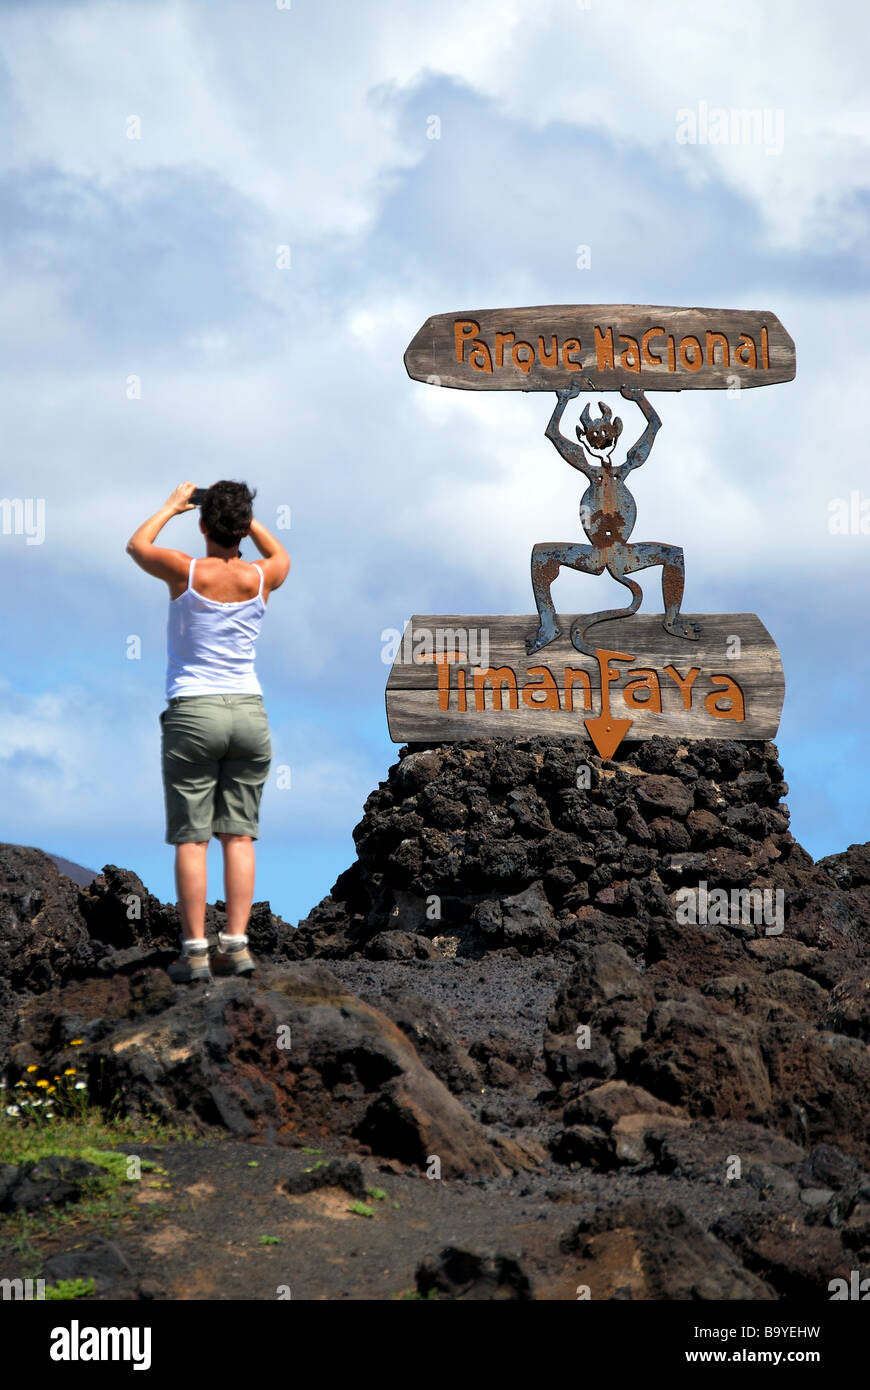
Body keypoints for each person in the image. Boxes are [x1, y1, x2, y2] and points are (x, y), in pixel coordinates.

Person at [126, 481, 290, 983]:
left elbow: (137, 545)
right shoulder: (263, 575)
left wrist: (175, 505)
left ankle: (195, 952)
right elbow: (278, 551)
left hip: (194, 713)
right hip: (248, 713)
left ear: (202, 526)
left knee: (192, 840)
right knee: (239, 836)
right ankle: (237, 946)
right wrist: (245, 518)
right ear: (241, 527)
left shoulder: (185, 570)